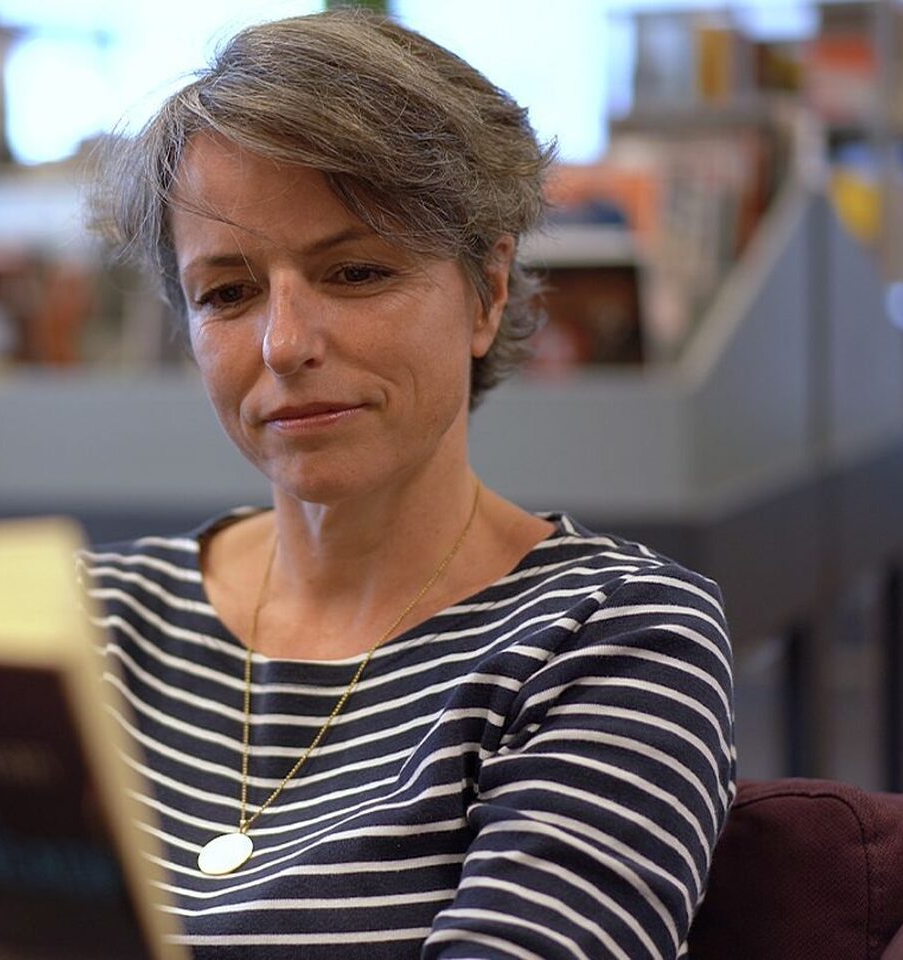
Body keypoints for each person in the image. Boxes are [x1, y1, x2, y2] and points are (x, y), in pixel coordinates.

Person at [82, 10, 734, 959]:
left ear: (487, 291)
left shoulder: (609, 639)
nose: (284, 344)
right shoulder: (89, 624)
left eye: (354, 272)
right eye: (227, 293)